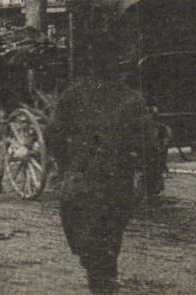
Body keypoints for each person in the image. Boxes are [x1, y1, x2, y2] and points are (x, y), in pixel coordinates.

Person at [46, 72, 160, 293]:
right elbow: (149, 144)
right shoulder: (132, 99)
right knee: (109, 240)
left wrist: (67, 162)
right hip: (118, 182)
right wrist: (150, 177)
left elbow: (53, 134)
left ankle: (101, 280)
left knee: (85, 241)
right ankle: (104, 278)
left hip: (82, 179)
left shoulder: (73, 96)